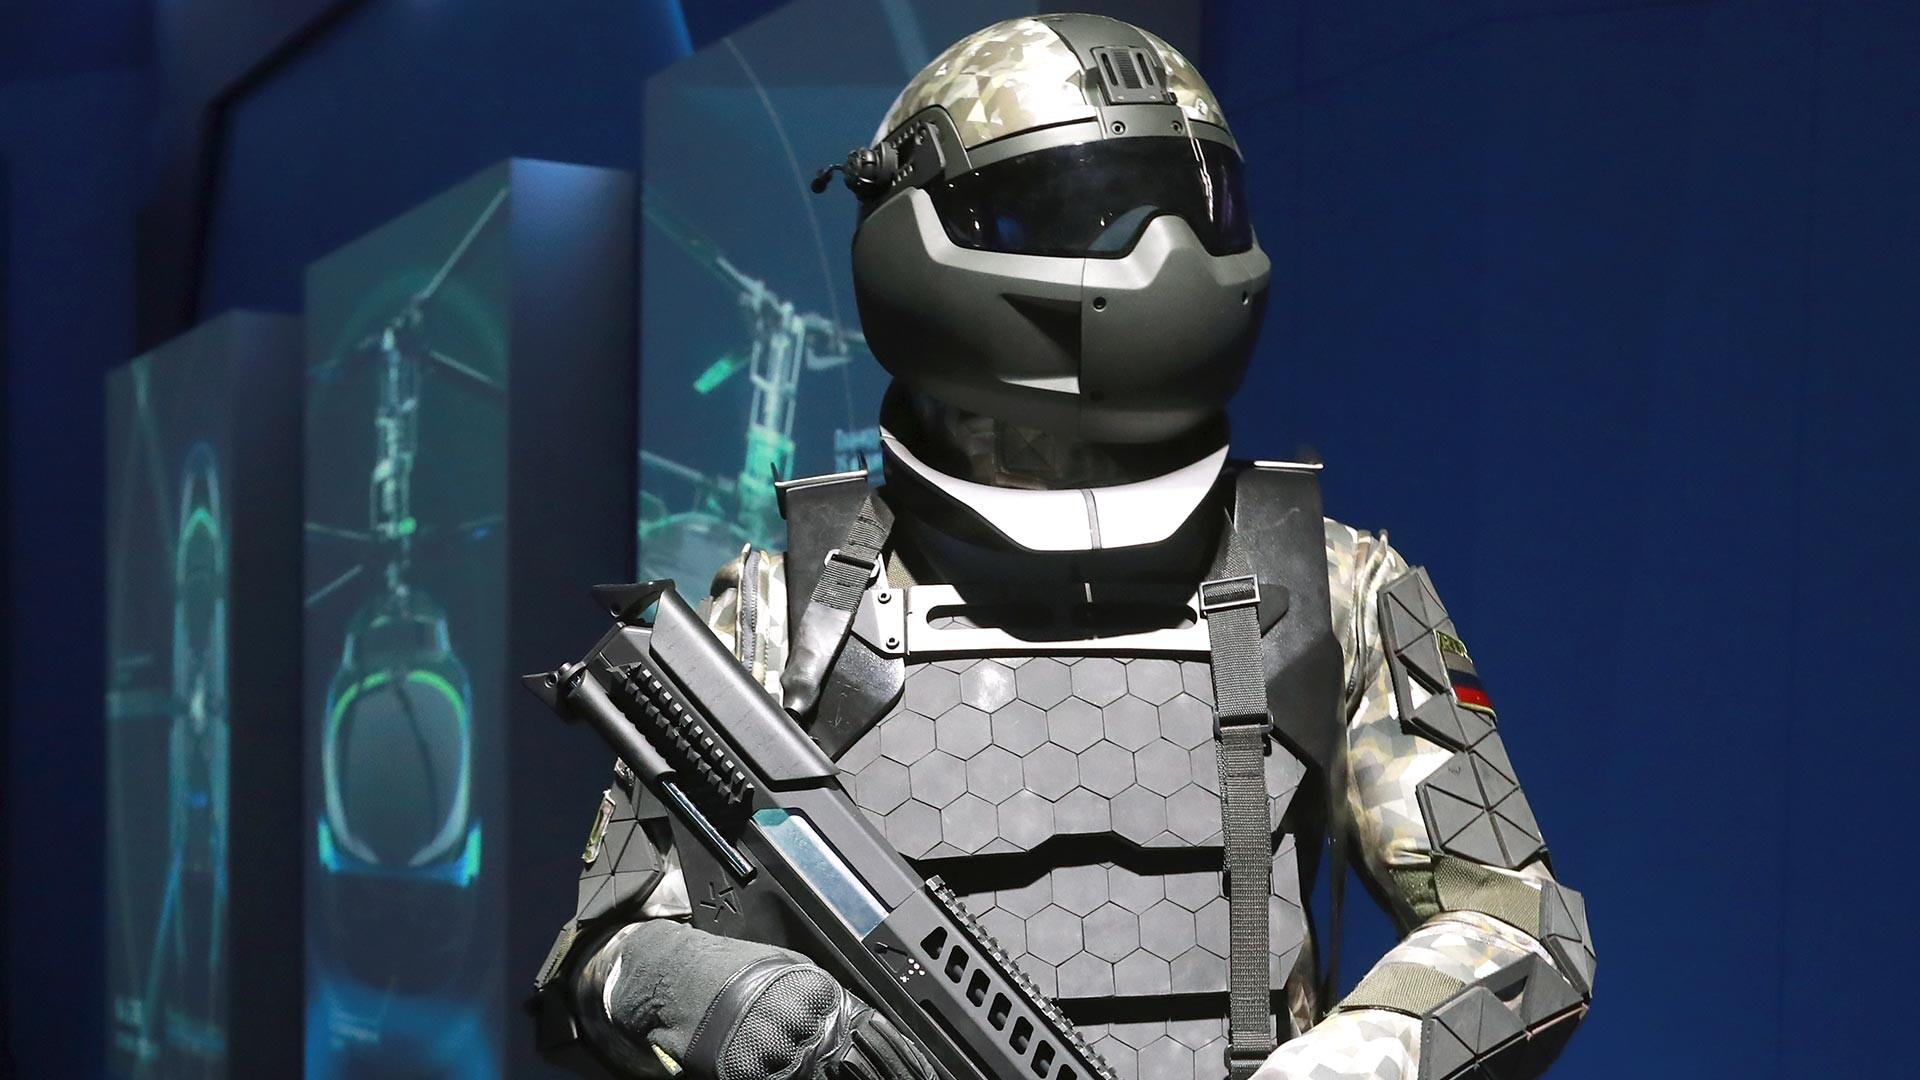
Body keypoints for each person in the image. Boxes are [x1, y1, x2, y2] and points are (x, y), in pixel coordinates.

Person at [535, 14, 1594, 1080]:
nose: (1163, 255)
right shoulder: (784, 615)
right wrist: (740, 1004)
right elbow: (605, 956)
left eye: (1193, 205)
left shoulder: (1331, 587)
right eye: (1088, 211)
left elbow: (1524, 934)